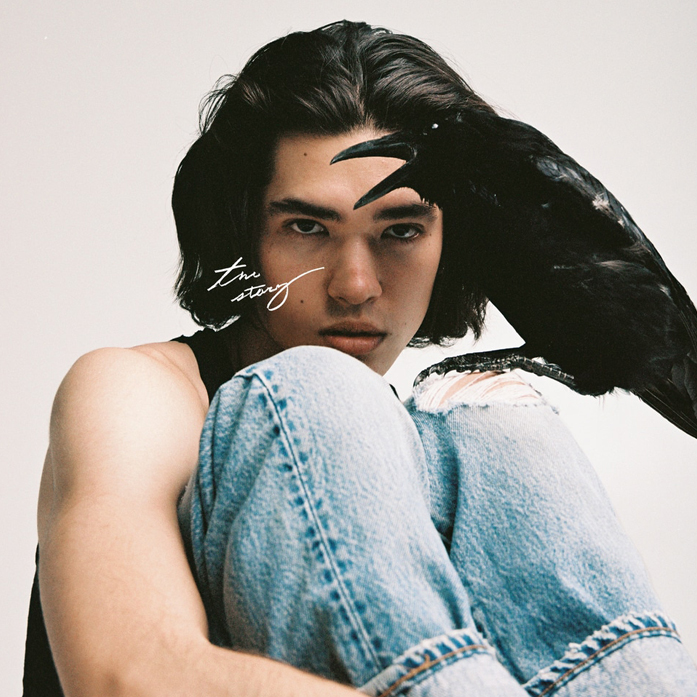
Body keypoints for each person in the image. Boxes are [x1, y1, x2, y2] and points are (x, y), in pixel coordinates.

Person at [25, 19, 697, 697]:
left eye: (399, 230)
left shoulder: (443, 449)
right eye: (307, 227)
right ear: (242, 236)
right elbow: (128, 676)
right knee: (322, 390)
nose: (354, 284)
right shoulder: (135, 394)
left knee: (492, 420)